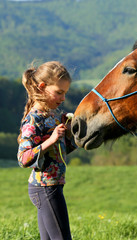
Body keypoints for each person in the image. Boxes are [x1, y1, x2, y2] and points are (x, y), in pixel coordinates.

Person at [17, 61, 77, 240]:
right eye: (59, 92)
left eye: (65, 93)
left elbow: (61, 151)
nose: (63, 98)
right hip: (45, 188)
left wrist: (68, 133)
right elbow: (23, 158)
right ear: (42, 87)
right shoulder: (33, 120)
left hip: (52, 186)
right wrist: (51, 140)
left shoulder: (52, 117)